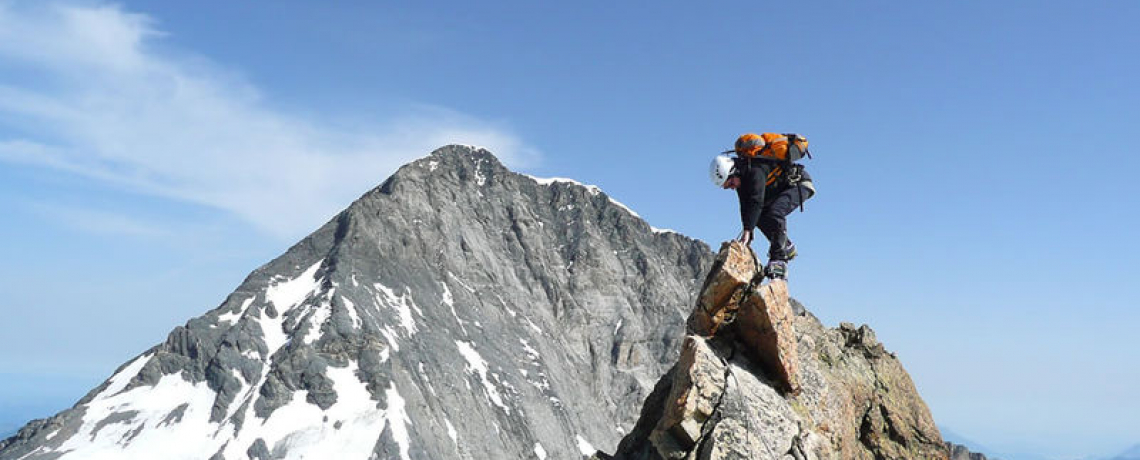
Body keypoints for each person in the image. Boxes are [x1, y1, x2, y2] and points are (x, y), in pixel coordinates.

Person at [709, 133, 815, 279]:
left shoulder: (755, 170)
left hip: (799, 184)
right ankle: (786, 246)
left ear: (733, 172)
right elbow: (745, 206)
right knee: (758, 217)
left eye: (731, 183)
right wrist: (748, 229)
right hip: (784, 187)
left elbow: (756, 200)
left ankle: (779, 260)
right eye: (728, 187)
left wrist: (748, 230)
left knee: (775, 212)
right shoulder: (742, 178)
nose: (732, 188)